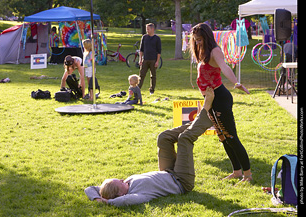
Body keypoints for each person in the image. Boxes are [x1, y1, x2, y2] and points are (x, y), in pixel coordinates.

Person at [84, 88, 215, 206]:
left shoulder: (124, 185)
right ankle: (205, 111)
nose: (123, 179)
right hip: (181, 181)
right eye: (120, 182)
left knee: (163, 138)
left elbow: (89, 189)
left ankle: (198, 122)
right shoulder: (137, 195)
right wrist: (108, 203)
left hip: (168, 171)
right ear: (120, 194)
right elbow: (125, 201)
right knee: (184, 139)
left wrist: (98, 199)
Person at [189, 23, 252, 182]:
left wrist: (236, 82)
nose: (198, 43)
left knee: (231, 137)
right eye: (195, 40)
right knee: (223, 137)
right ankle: (237, 171)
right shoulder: (202, 52)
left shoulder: (215, 51)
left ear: (207, 37)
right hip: (210, 100)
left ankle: (248, 175)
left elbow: (225, 67)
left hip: (220, 98)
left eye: (200, 40)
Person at [138, 23, 161, 95]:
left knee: (153, 76)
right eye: (146, 29)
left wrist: (157, 61)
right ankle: (138, 89)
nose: (147, 30)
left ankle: (152, 90)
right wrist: (140, 59)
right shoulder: (144, 37)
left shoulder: (157, 38)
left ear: (152, 29)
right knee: (141, 75)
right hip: (145, 59)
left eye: (148, 29)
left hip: (153, 60)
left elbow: (159, 51)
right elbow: (141, 49)